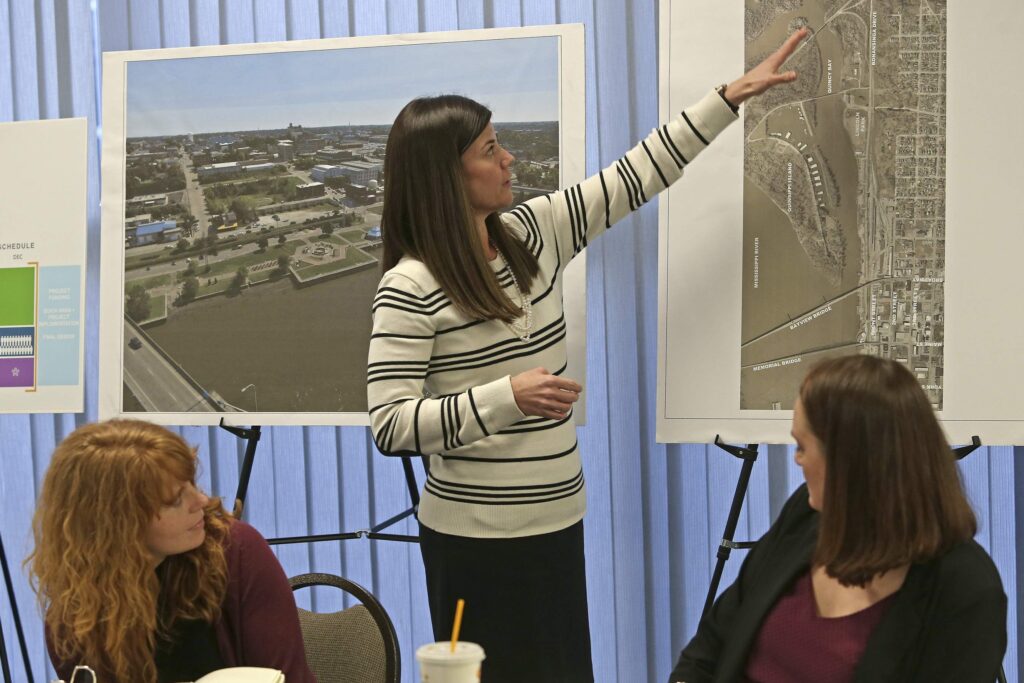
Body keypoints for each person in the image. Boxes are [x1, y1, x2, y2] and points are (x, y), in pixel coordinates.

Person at [366, 27, 811, 683]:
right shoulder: (410, 286)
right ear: (446, 176)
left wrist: (728, 97)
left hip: (556, 522)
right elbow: (390, 423)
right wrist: (505, 397)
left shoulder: (534, 231)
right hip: (473, 543)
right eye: (491, 150)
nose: (510, 159)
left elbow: (636, 174)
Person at [669, 355, 1008, 683]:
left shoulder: (965, 591)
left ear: (852, 463)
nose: (796, 460)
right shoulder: (806, 515)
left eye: (802, 446)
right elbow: (710, 646)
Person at [27, 419, 316, 683]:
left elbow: (289, 678)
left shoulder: (235, 549)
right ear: (119, 524)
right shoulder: (74, 618)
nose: (202, 500)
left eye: (192, 484)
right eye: (176, 500)